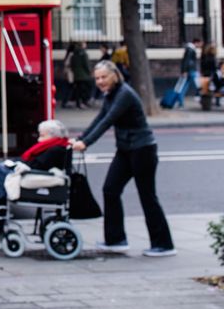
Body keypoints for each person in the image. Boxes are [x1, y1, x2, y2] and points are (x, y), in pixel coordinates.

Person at [72, 60, 176, 257]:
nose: (100, 81)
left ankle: (164, 244)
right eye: (97, 78)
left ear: (114, 75)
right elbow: (99, 118)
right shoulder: (111, 94)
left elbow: (108, 120)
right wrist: (80, 138)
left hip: (143, 149)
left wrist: (86, 143)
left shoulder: (124, 94)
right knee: (110, 190)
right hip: (126, 149)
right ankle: (115, 239)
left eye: (104, 77)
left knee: (147, 196)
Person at [0, 119, 70, 234]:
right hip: (25, 170)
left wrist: (16, 164)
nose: (39, 139)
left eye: (42, 135)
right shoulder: (54, 146)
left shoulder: (56, 149)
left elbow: (36, 165)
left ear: (52, 135)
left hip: (28, 173)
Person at [70, 41, 92, 108]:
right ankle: (84, 102)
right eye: (85, 44)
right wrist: (89, 72)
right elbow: (86, 64)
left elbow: (72, 65)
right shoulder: (84, 54)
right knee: (85, 90)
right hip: (84, 75)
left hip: (76, 75)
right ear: (82, 45)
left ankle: (78, 103)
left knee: (77, 90)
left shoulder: (74, 54)